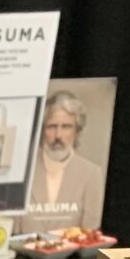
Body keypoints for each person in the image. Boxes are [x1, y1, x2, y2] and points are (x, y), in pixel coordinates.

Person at [29, 90, 106, 231]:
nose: (58, 135)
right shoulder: (24, 172)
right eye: (52, 126)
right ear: (42, 130)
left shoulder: (92, 174)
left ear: (77, 131)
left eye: (66, 127)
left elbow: (91, 233)